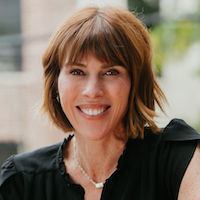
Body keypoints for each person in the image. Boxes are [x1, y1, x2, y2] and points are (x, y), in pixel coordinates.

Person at [0, 5, 200, 200]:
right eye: (77, 72)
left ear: (135, 82)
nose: (92, 91)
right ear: (55, 84)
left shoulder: (177, 160)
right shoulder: (21, 180)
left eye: (111, 72)